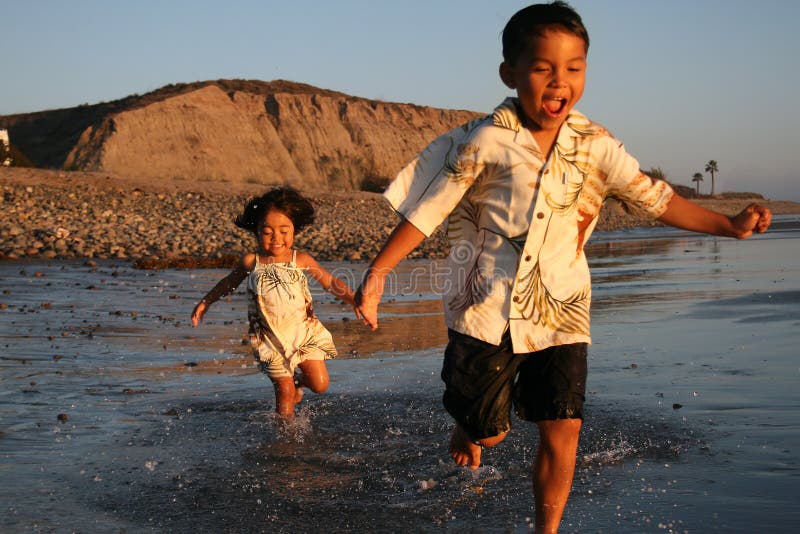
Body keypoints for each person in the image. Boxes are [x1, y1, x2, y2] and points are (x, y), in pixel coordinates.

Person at [354, 2, 772, 532]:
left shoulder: (596, 145)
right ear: (510, 72)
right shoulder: (485, 141)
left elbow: (655, 198)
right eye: (543, 67)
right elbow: (428, 210)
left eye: (574, 68)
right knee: (491, 434)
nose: (560, 81)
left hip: (562, 308)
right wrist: (378, 273)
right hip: (486, 310)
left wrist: (727, 225)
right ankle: (469, 426)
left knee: (563, 427)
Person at [192, 187, 355, 419]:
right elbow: (228, 283)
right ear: (256, 232)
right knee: (284, 391)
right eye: (268, 232)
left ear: (294, 230)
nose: (276, 238)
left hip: (303, 333)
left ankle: (298, 382)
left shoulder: (301, 260)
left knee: (319, 384)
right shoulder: (252, 262)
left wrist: (356, 300)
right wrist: (206, 301)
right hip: (268, 337)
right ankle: (284, 441)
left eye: (283, 231)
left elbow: (330, 282)